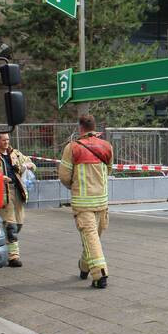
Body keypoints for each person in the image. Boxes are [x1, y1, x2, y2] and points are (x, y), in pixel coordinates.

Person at [58, 114, 113, 289]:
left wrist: (74, 186)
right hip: (102, 202)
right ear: (94, 127)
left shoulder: (72, 148)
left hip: (83, 203)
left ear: (80, 127)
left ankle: (91, 270)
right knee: (93, 238)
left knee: (91, 238)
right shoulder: (106, 146)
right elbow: (109, 170)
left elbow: (64, 176)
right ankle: (97, 272)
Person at [0, 131, 35, 267]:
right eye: (3, 140)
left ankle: (1, 244)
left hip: (18, 192)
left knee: (18, 224)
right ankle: (13, 257)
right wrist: (0, 178)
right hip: (4, 193)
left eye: (8, 139)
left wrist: (28, 166)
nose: (6, 142)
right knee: (10, 226)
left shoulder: (15, 153)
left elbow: (31, 163)